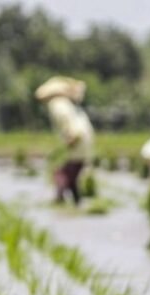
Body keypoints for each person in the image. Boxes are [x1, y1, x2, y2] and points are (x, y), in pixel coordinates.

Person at [35, 76, 95, 205]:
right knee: (72, 175)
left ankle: (59, 200)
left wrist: (70, 139)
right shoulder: (68, 103)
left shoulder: (57, 104)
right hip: (84, 141)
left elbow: (68, 123)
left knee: (61, 174)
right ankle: (76, 201)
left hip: (76, 141)